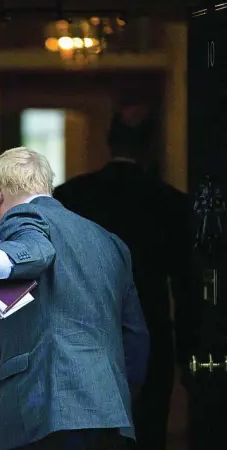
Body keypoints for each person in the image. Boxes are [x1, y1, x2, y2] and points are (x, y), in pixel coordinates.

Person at [0, 147, 150, 450]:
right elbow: (136, 337)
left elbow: (38, 250)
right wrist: (115, 396)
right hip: (110, 412)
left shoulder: (25, 216)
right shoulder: (111, 242)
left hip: (48, 409)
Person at [54, 106, 196, 450]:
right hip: (152, 342)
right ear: (151, 145)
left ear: (109, 141)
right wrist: (189, 355)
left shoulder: (71, 198)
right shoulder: (171, 204)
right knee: (146, 434)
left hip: (82, 340)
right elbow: (187, 286)